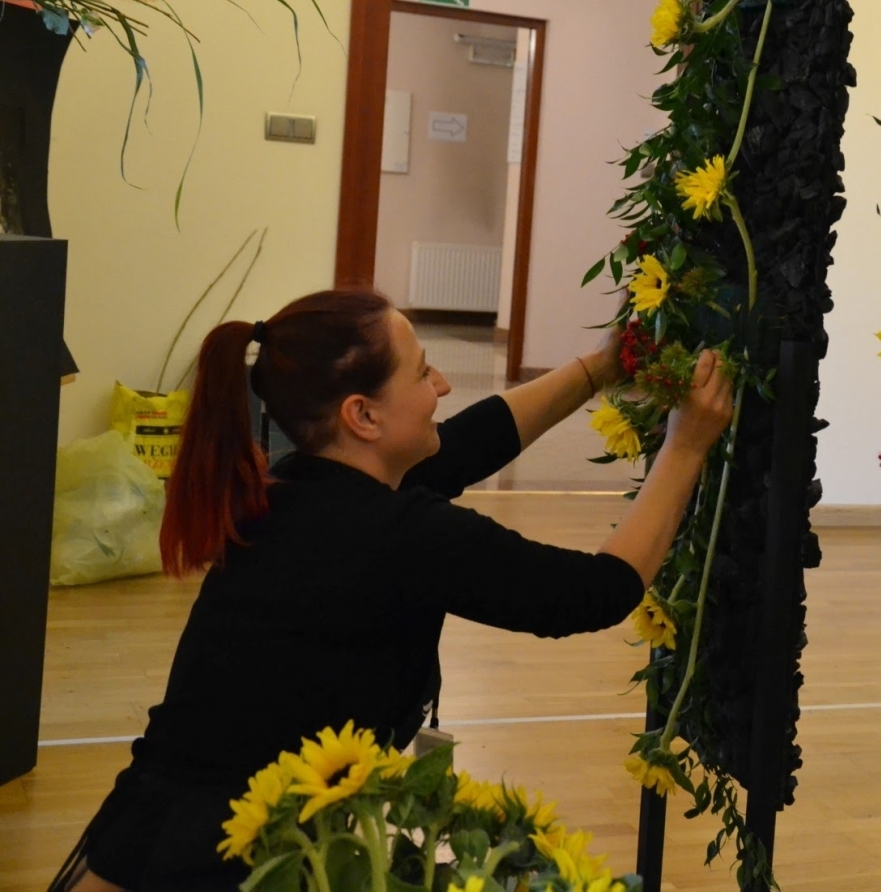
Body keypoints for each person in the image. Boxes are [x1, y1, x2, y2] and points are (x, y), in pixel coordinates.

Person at [53, 288, 732, 891]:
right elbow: (595, 592)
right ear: (362, 417)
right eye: (421, 371)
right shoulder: (399, 536)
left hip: (155, 824)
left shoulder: (300, 486)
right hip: (219, 860)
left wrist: (601, 368)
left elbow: (468, 442)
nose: (440, 383)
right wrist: (688, 446)